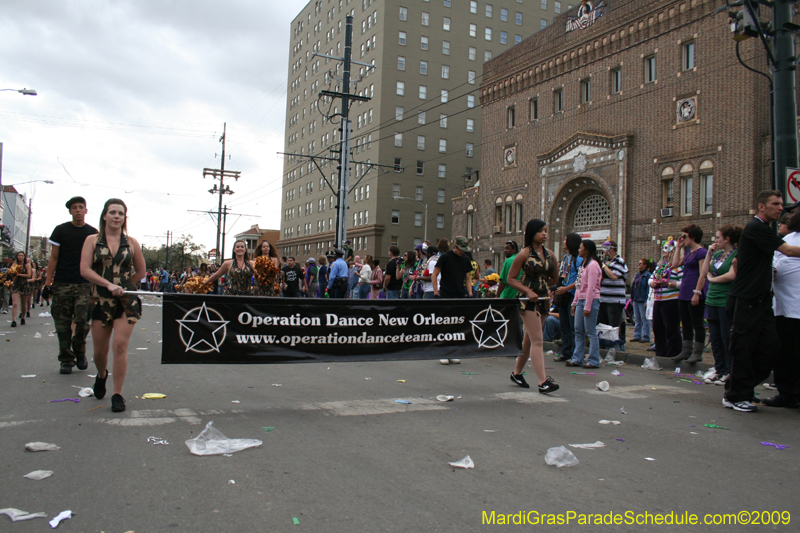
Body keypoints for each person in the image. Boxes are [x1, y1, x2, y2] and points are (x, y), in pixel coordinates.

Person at [724, 191, 800, 412]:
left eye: (781, 204)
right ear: (761, 207)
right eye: (775, 204)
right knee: (743, 349)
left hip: (761, 301)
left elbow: (739, 260)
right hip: (746, 299)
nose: (780, 208)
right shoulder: (756, 227)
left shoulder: (764, 230)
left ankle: (742, 387)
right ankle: (735, 395)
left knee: (771, 348)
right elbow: (787, 250)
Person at [79, 198, 145, 413]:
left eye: (121, 213)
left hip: (126, 301)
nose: (117, 216)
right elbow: (85, 269)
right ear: (105, 216)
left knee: (119, 345)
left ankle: (117, 394)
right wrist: (108, 284)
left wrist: (125, 285)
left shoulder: (132, 243)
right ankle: (101, 375)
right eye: (113, 212)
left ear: (125, 218)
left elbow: (141, 272)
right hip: (99, 298)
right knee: (100, 351)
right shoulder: (92, 240)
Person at [45, 196, 98, 373]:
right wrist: (47, 283)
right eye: (74, 207)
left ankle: (80, 350)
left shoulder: (92, 233)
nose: (77, 210)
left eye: (80, 207)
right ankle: (66, 360)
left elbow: (96, 260)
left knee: (82, 322)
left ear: (86, 210)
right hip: (62, 282)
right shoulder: (61, 230)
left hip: (85, 284)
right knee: (62, 324)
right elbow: (53, 257)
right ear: (70, 211)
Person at [506, 221, 559, 393]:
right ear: (532, 233)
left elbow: (554, 278)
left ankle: (516, 373)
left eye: (545, 231)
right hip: (527, 301)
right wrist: (528, 291)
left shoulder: (550, 254)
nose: (544, 234)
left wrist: (545, 285)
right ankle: (543, 381)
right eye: (540, 231)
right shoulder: (524, 254)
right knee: (537, 339)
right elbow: (511, 279)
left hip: (543, 299)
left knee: (529, 339)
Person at [696, 225, 740, 385]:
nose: (716, 241)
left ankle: (729, 370)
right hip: (712, 299)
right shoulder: (717, 255)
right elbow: (705, 271)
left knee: (725, 336)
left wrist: (713, 279)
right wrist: (709, 253)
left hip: (725, 300)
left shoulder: (735, 255)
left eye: (718, 238)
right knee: (714, 337)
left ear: (727, 239)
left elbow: (732, 275)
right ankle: (719, 368)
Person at [769, 207, 800, 408]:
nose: (790, 215)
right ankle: (787, 393)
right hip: (781, 307)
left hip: (796, 308)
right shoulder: (790, 238)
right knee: (784, 354)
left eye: (795, 211)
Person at [671, 225, 708, 364]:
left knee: (697, 323)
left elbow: (702, 274)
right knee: (685, 323)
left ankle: (697, 352)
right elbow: (675, 264)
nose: (683, 239)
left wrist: (697, 292)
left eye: (685, 236)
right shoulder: (688, 252)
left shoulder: (701, 253)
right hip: (684, 292)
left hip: (695, 291)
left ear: (693, 236)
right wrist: (679, 247)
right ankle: (686, 350)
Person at [567, 240, 603, 369]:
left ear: (586, 250)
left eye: (581, 248)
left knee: (590, 331)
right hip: (581, 300)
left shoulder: (593, 265)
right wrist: (575, 303)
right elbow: (579, 286)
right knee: (578, 330)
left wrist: (587, 307)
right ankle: (577, 358)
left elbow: (591, 288)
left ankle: (593, 360)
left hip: (591, 300)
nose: (578, 250)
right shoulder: (583, 265)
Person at [649, 238, 683, 359]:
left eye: (666, 248)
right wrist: (653, 283)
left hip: (671, 300)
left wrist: (668, 284)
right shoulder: (660, 266)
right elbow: (651, 278)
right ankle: (661, 354)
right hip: (659, 300)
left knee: (671, 328)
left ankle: (674, 353)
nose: (663, 251)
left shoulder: (678, 267)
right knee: (657, 328)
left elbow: (683, 283)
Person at [553, 234, 583, 362]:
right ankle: (566, 352)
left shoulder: (578, 259)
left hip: (572, 294)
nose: (564, 242)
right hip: (562, 294)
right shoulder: (566, 257)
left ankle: (575, 354)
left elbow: (580, 279)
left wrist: (567, 288)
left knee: (573, 326)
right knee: (564, 325)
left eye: (566, 240)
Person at [598, 240, 628, 352]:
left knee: (614, 326)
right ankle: (605, 348)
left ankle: (616, 348)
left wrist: (603, 266)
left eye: (605, 248)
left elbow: (614, 276)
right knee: (604, 326)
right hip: (603, 299)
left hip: (614, 300)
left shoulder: (619, 261)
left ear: (611, 248)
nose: (603, 251)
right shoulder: (607, 263)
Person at [630, 259, 652, 343]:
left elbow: (648, 289)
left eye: (640, 263)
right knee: (637, 318)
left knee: (644, 318)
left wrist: (647, 300)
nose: (638, 265)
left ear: (645, 265)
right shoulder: (637, 275)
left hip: (642, 299)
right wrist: (632, 298)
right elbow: (633, 287)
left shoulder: (647, 276)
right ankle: (637, 335)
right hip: (636, 299)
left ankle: (645, 336)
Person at [9, 251, 32, 327]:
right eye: (19, 255)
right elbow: (11, 273)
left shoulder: (27, 265)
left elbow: (29, 275)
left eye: (22, 255)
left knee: (23, 304)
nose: (20, 257)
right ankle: (14, 320)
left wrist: (19, 274)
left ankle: (22, 317)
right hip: (16, 284)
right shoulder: (15, 265)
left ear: (24, 257)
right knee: (15, 303)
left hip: (24, 285)